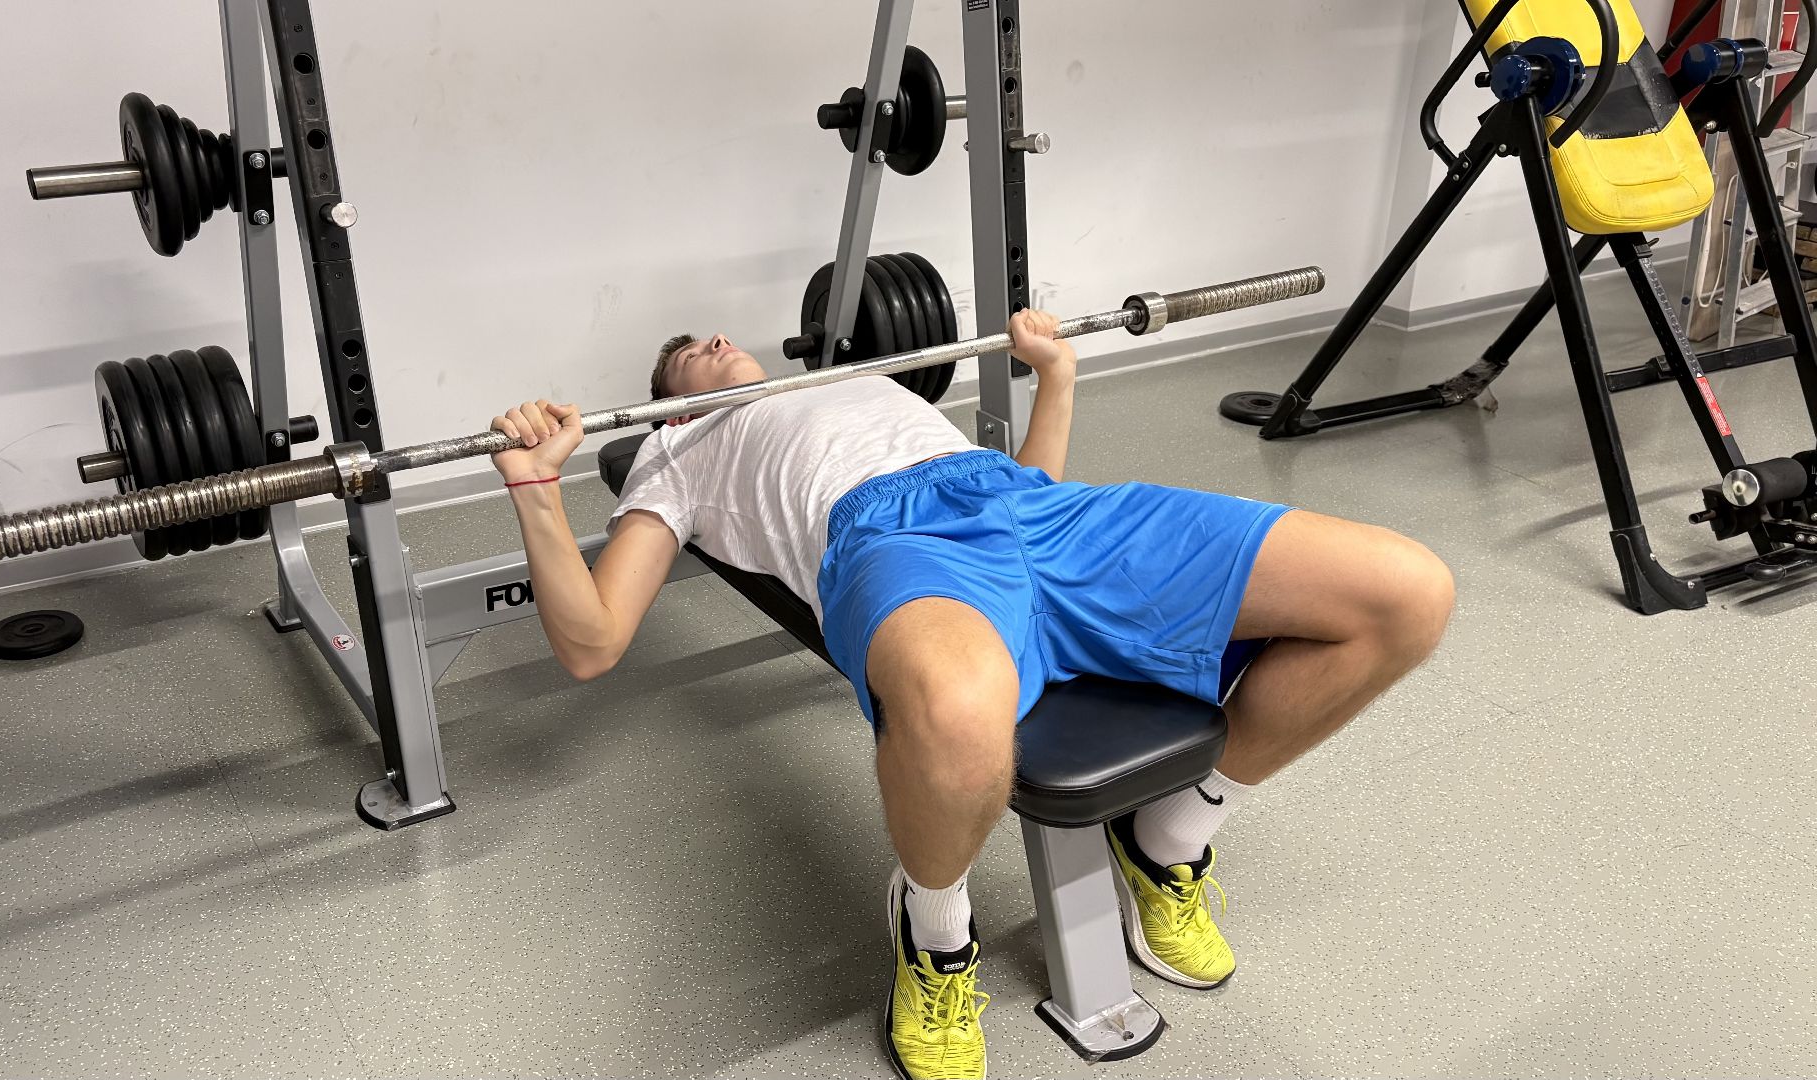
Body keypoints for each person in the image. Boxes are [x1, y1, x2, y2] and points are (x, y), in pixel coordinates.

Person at [488, 310, 1454, 1080]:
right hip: (894, 542)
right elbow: (592, 640)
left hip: (1040, 511)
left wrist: (1057, 376)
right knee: (960, 710)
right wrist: (535, 490)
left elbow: (1034, 482)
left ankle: (1169, 837)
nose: (714, 339)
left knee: (1406, 594)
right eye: (688, 357)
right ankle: (935, 931)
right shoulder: (680, 452)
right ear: (669, 408)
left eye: (713, 336)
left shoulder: (855, 378)